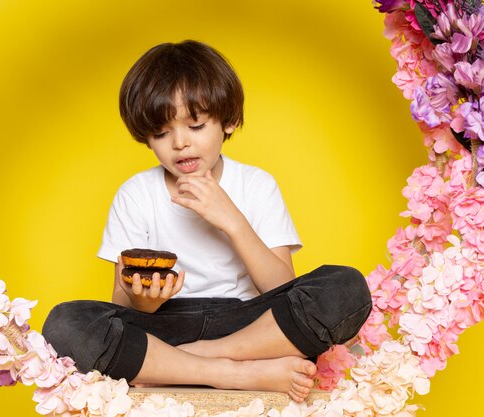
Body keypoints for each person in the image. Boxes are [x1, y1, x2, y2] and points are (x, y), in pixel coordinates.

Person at [42, 40, 372, 402]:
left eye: (195, 125)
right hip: (167, 326)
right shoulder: (135, 193)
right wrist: (146, 301)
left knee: (346, 287)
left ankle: (184, 364)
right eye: (161, 133)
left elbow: (282, 288)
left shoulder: (255, 184)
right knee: (64, 323)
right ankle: (227, 372)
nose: (180, 143)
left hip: (250, 325)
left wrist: (233, 221)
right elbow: (122, 306)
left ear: (228, 121)